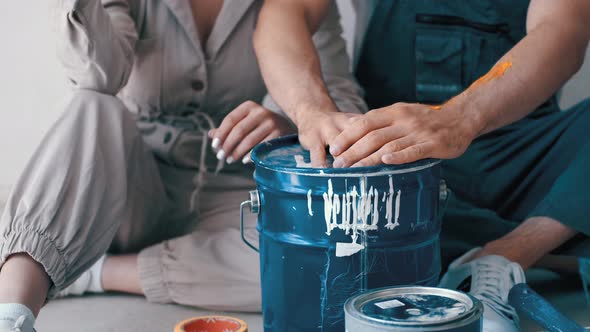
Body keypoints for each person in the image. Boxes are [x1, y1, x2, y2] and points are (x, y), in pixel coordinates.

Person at [0, 1, 366, 331]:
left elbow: (340, 105)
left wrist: (290, 124)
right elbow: (99, 77)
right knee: (93, 105)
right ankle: (12, 312)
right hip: (134, 186)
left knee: (316, 263)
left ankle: (96, 272)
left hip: (236, 194)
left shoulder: (300, 5)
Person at [253, 0, 590, 331]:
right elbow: (285, 10)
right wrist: (311, 111)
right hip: (398, 170)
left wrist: (458, 118)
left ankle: (506, 253)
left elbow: (563, 29)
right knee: (361, 233)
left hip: (527, 158)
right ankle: (557, 245)